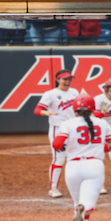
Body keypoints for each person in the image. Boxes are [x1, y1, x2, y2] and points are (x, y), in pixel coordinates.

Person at [60, 102, 109, 221]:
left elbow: (57, 144)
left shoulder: (67, 123)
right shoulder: (102, 123)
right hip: (93, 166)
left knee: (77, 204)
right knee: (87, 205)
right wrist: (100, 146)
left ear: (75, 110)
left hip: (72, 167)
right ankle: (84, 210)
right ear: (93, 108)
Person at [33, 69, 80, 197]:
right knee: (59, 159)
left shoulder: (75, 92)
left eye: (69, 79)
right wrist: (45, 112)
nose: (68, 81)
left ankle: (76, 186)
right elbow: (37, 110)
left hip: (74, 128)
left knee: (76, 157)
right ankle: (53, 188)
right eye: (65, 79)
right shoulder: (51, 94)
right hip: (58, 129)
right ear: (57, 79)